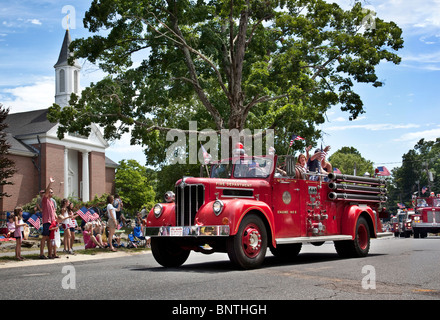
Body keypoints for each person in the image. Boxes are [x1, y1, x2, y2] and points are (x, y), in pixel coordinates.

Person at [40, 177, 57, 259]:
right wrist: (50, 183)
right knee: (45, 237)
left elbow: (53, 212)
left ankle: (50, 254)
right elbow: (46, 192)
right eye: (50, 192)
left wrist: (56, 221)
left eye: (52, 192)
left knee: (50, 238)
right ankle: (41, 254)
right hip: (47, 221)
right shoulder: (45, 199)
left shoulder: (52, 201)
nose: (51, 193)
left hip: (52, 222)